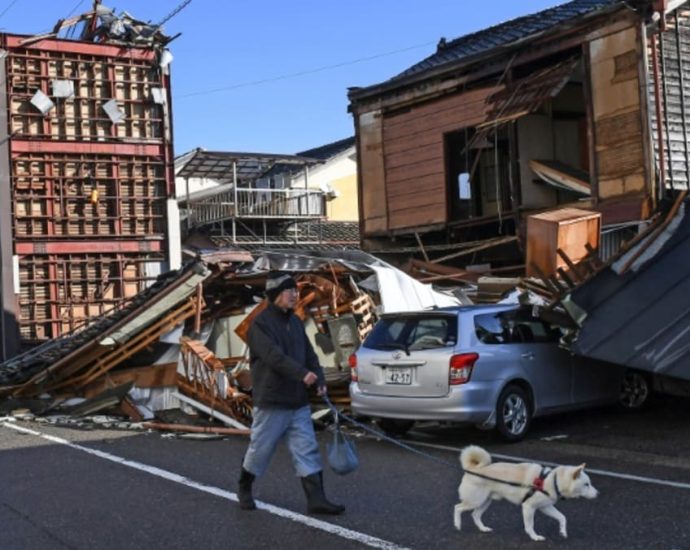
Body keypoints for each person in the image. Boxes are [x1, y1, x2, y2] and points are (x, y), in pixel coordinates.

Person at [237, 271, 345, 515]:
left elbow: (309, 353)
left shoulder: (295, 322)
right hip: (272, 401)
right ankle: (244, 488)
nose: (295, 295)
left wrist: (318, 377)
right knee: (260, 450)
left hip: (297, 401)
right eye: (290, 291)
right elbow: (274, 357)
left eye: (296, 290)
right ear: (276, 295)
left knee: (307, 448)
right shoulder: (260, 326)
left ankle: (316, 499)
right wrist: (301, 374)